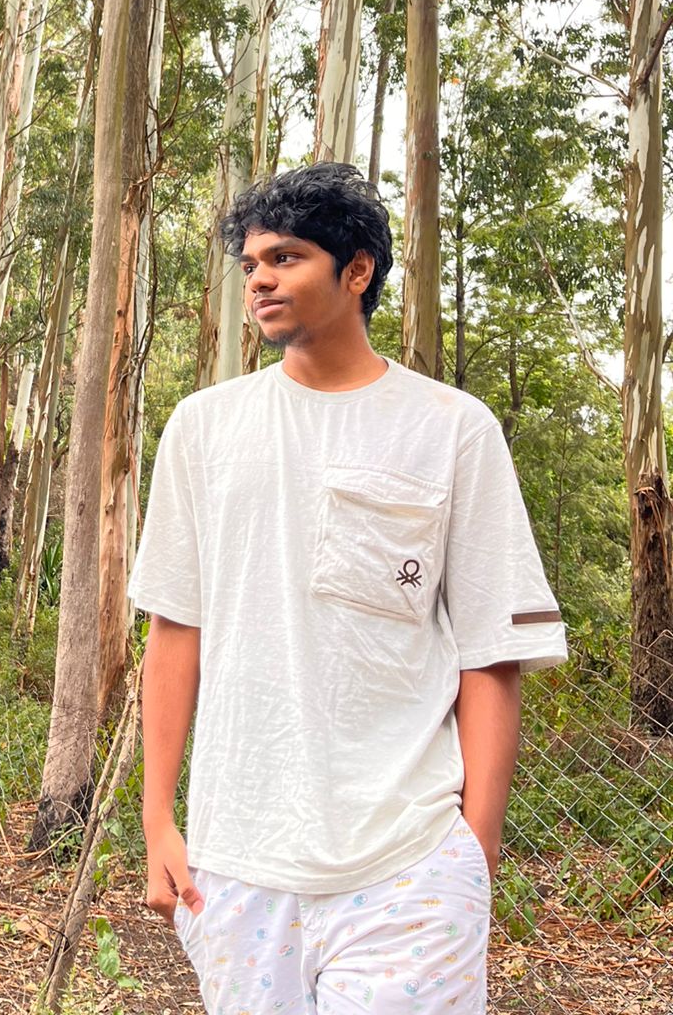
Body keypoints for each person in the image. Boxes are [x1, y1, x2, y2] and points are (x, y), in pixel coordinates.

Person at [127, 162, 566, 1015]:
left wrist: (474, 853)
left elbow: (491, 654)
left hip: (409, 861)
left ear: (357, 270)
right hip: (237, 862)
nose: (260, 279)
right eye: (251, 263)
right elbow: (175, 632)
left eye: (286, 258)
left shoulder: (452, 429)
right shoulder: (203, 429)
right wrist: (158, 823)